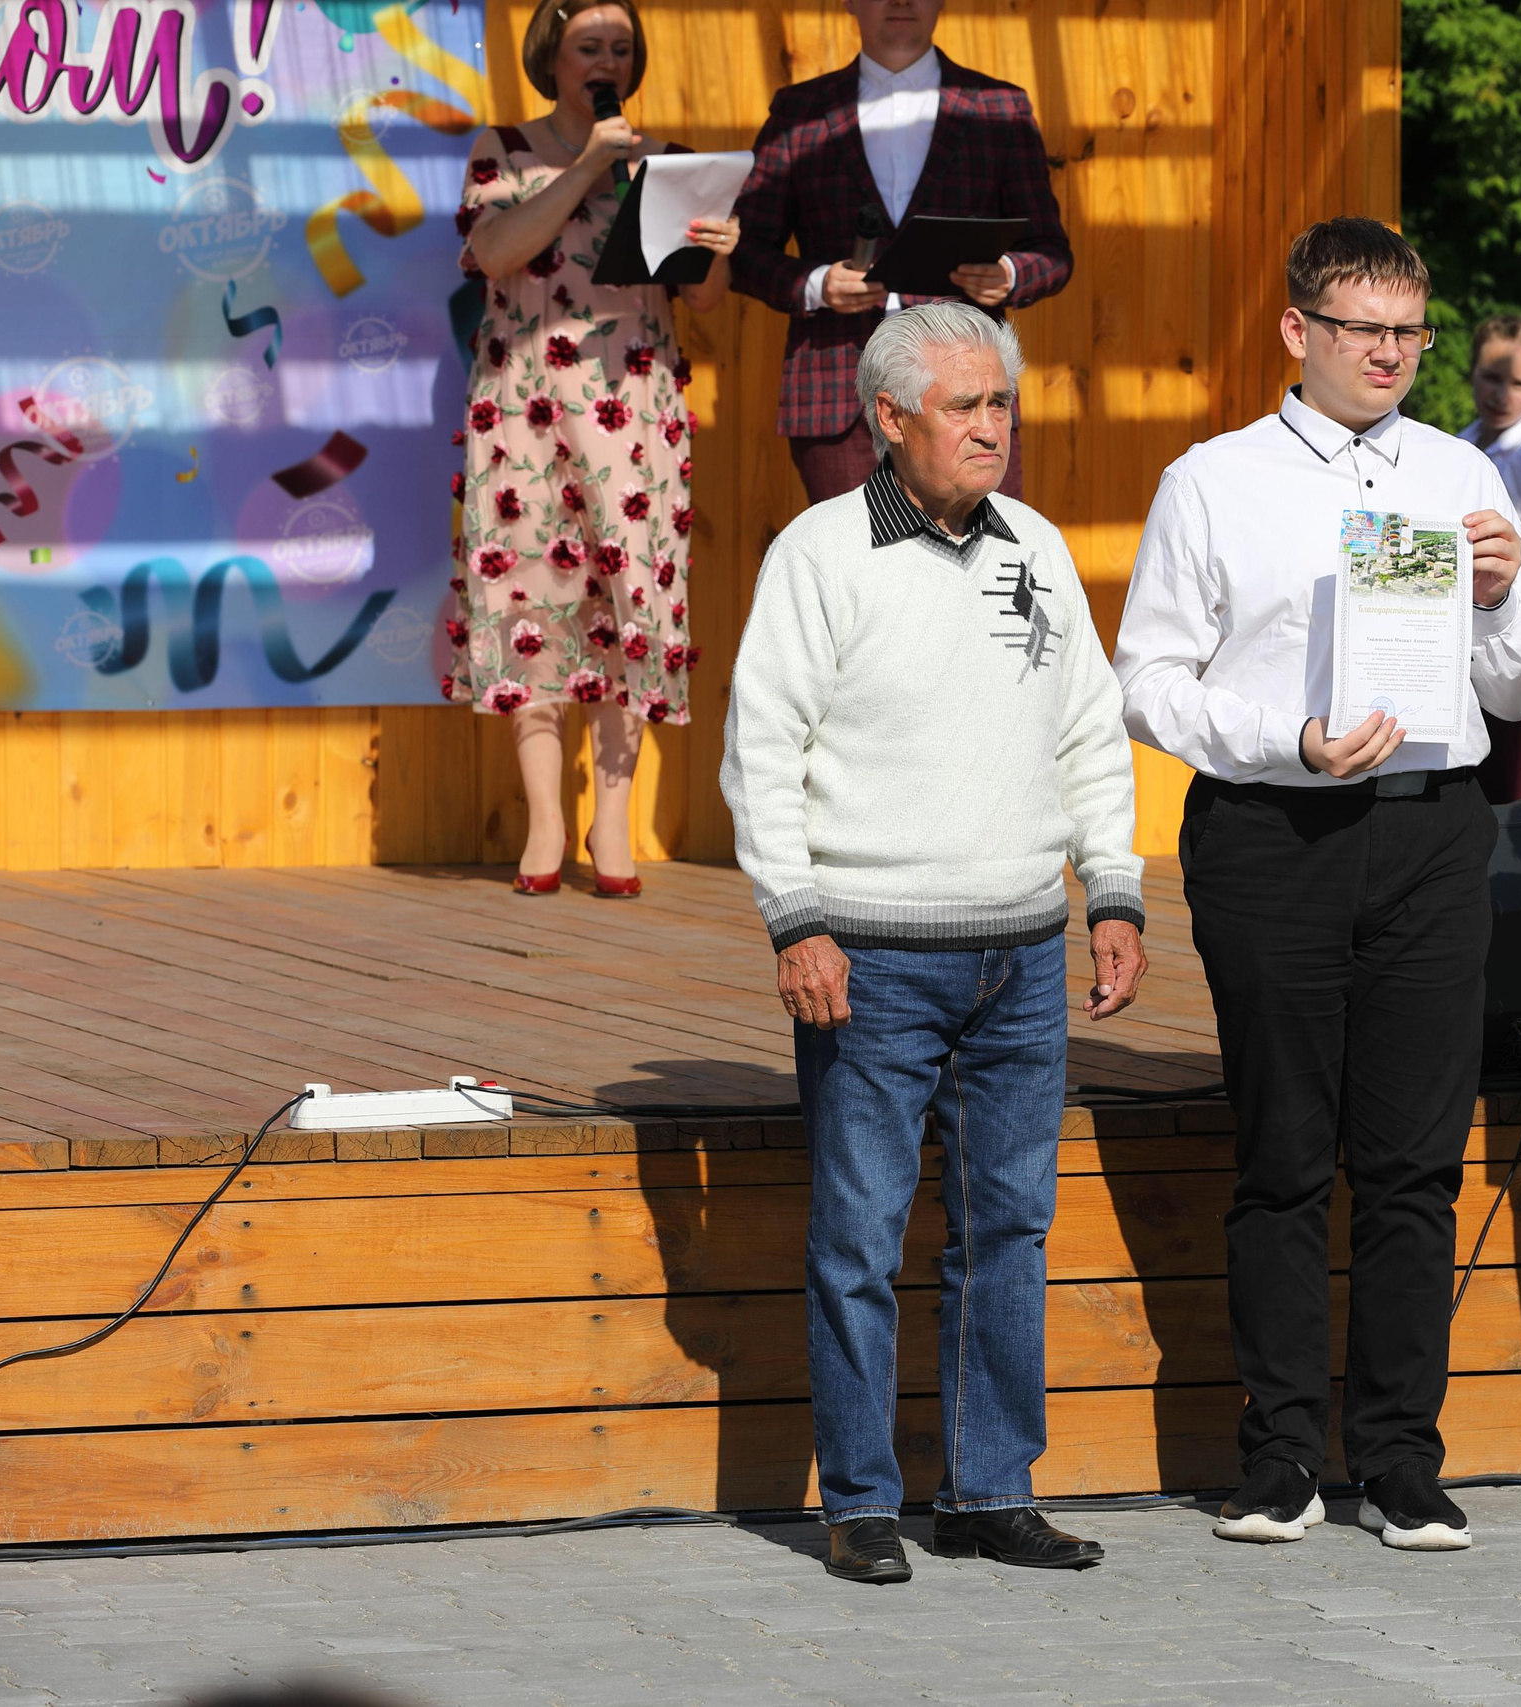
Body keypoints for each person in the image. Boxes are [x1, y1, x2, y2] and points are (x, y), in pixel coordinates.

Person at [1112, 219, 1521, 1553]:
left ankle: (1403, 1457)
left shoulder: (1462, 468)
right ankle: (1281, 1452)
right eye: (1365, 330)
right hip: (1273, 834)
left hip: (1432, 833)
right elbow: (1147, 677)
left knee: (1419, 1162)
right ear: (1298, 331)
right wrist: (1279, 741)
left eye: (1410, 332)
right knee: (1287, 1154)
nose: (1392, 356)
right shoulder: (1213, 480)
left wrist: (1498, 596)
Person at [721, 302, 1145, 1586]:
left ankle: (987, 1492)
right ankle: (857, 1500)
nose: (990, 429)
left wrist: (1113, 891)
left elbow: (1088, 732)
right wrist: (795, 920)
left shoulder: (1041, 549)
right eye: (964, 407)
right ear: (889, 418)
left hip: (1021, 954)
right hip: (872, 954)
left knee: (1008, 1229)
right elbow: (763, 752)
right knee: (857, 1236)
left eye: (1001, 404)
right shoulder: (819, 553)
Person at [446, 0, 736, 897]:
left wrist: (717, 252)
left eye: (619, 46)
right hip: (524, 403)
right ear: (551, 58)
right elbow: (497, 251)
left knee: (630, 597)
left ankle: (614, 822)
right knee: (526, 598)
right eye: (588, 47)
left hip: (632, 405)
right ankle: (544, 821)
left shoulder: (666, 163)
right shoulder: (504, 148)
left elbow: (709, 301)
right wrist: (586, 168)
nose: (606, 59)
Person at [729, 0, 1072, 506]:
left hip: (969, 391)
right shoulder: (800, 109)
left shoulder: (999, 107)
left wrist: (1009, 274)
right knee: (852, 573)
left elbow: (1051, 251)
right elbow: (744, 250)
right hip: (837, 392)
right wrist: (817, 284)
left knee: (980, 570)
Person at [1459, 315, 1521, 802]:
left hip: (1518, 632)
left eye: (1518, 383)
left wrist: (1504, 559)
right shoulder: (1461, 442)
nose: (1501, 394)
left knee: (1516, 784)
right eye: (1491, 377)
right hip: (1466, 636)